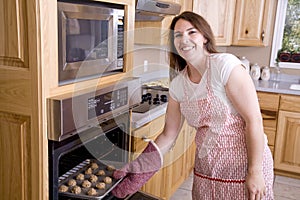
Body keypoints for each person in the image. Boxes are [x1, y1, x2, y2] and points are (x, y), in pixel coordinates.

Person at [111, 11, 274, 200]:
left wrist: (255, 172)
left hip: (244, 169)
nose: (184, 39)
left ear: (204, 37)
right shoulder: (178, 85)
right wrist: (137, 166)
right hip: (207, 172)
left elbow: (253, 121)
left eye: (191, 32)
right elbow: (168, 135)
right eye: (178, 35)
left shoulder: (225, 66)